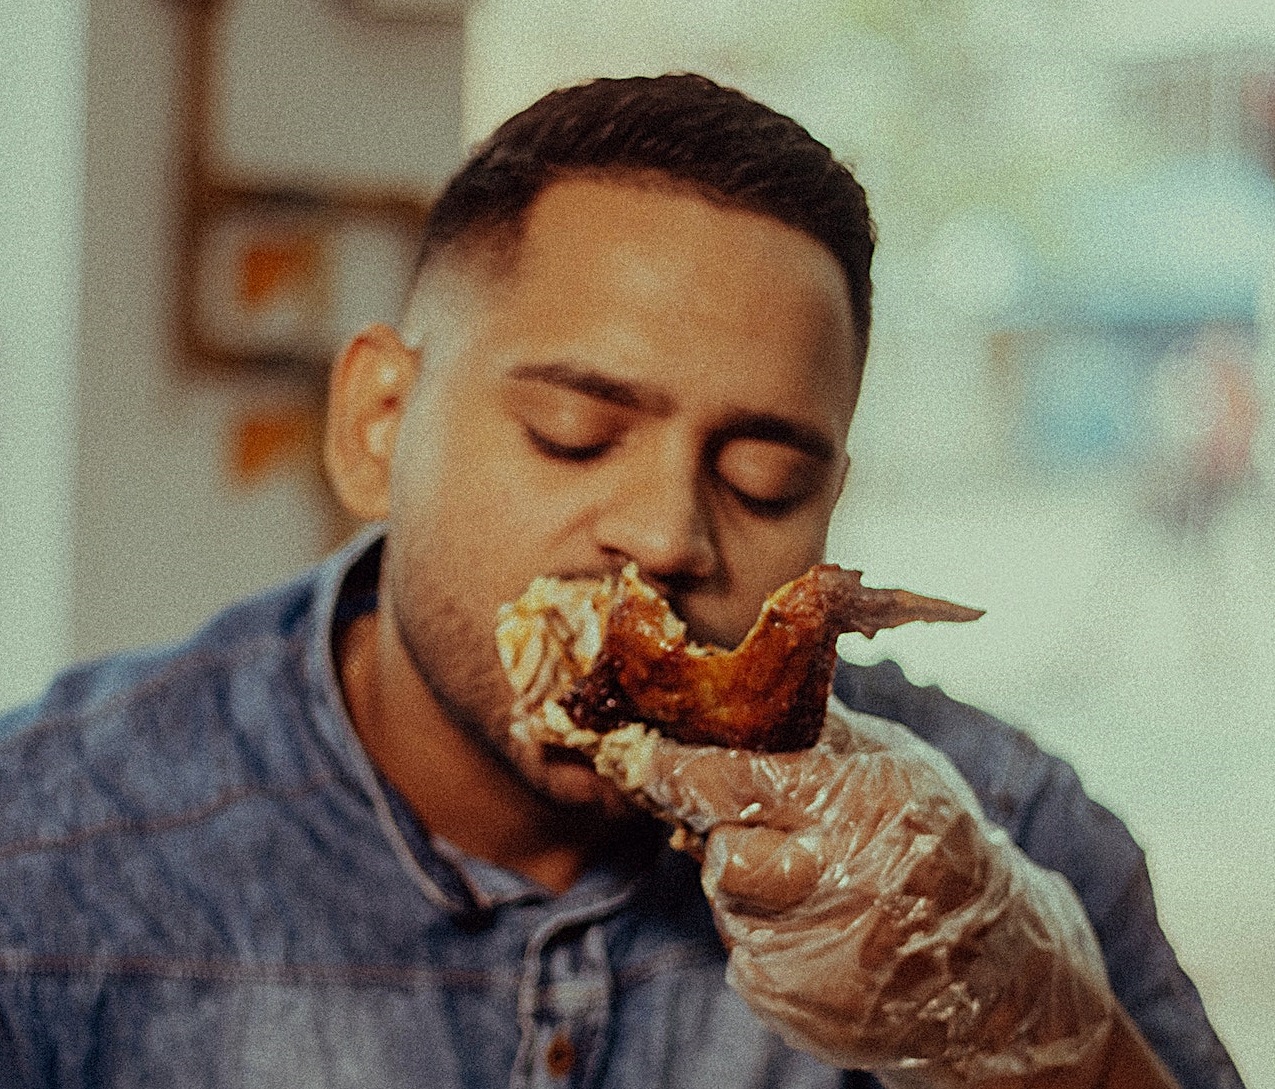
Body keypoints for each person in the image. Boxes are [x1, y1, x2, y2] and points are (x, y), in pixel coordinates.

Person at [0, 74, 1244, 1089]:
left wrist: (1054, 1053)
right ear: (379, 426)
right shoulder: (45, 854)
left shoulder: (1001, 850)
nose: (665, 537)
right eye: (572, 434)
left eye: (762, 480)